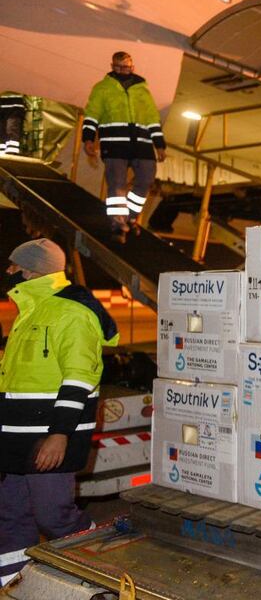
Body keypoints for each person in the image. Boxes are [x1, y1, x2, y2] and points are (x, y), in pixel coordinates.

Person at [0, 239, 119, 585]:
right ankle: (12, 584)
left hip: (48, 437)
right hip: (14, 439)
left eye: (13, 266)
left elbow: (79, 378)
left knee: (55, 518)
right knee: (10, 518)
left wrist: (60, 434)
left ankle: (101, 563)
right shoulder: (32, 311)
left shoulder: (73, 312)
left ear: (30, 270)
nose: (8, 273)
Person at [82, 51, 166, 243]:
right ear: (112, 66)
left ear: (132, 67)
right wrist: (88, 139)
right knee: (117, 184)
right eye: (118, 67)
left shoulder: (142, 89)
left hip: (142, 144)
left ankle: (131, 216)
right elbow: (92, 115)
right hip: (114, 143)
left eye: (126, 67)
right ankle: (118, 223)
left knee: (145, 180)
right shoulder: (102, 88)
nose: (122, 70)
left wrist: (159, 145)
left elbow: (153, 118)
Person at [0, 92, 26, 156]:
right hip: (6, 102)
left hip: (15, 104)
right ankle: (4, 153)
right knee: (2, 129)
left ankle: (11, 152)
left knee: (12, 127)